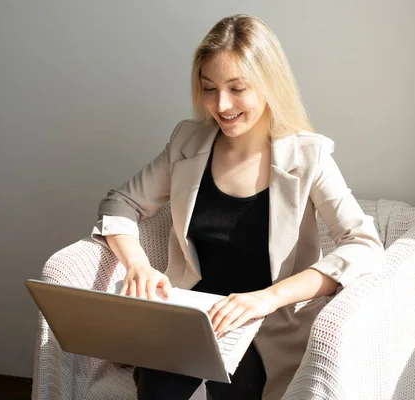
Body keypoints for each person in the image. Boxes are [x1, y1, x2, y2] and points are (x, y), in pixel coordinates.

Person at [91, 13, 384, 400]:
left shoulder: (308, 156)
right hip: (189, 317)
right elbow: (120, 202)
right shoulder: (188, 141)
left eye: (236, 88)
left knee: (239, 388)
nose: (221, 105)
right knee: (156, 389)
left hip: (264, 325)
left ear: (268, 85)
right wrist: (138, 264)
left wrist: (269, 297)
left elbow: (362, 245)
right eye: (209, 88)